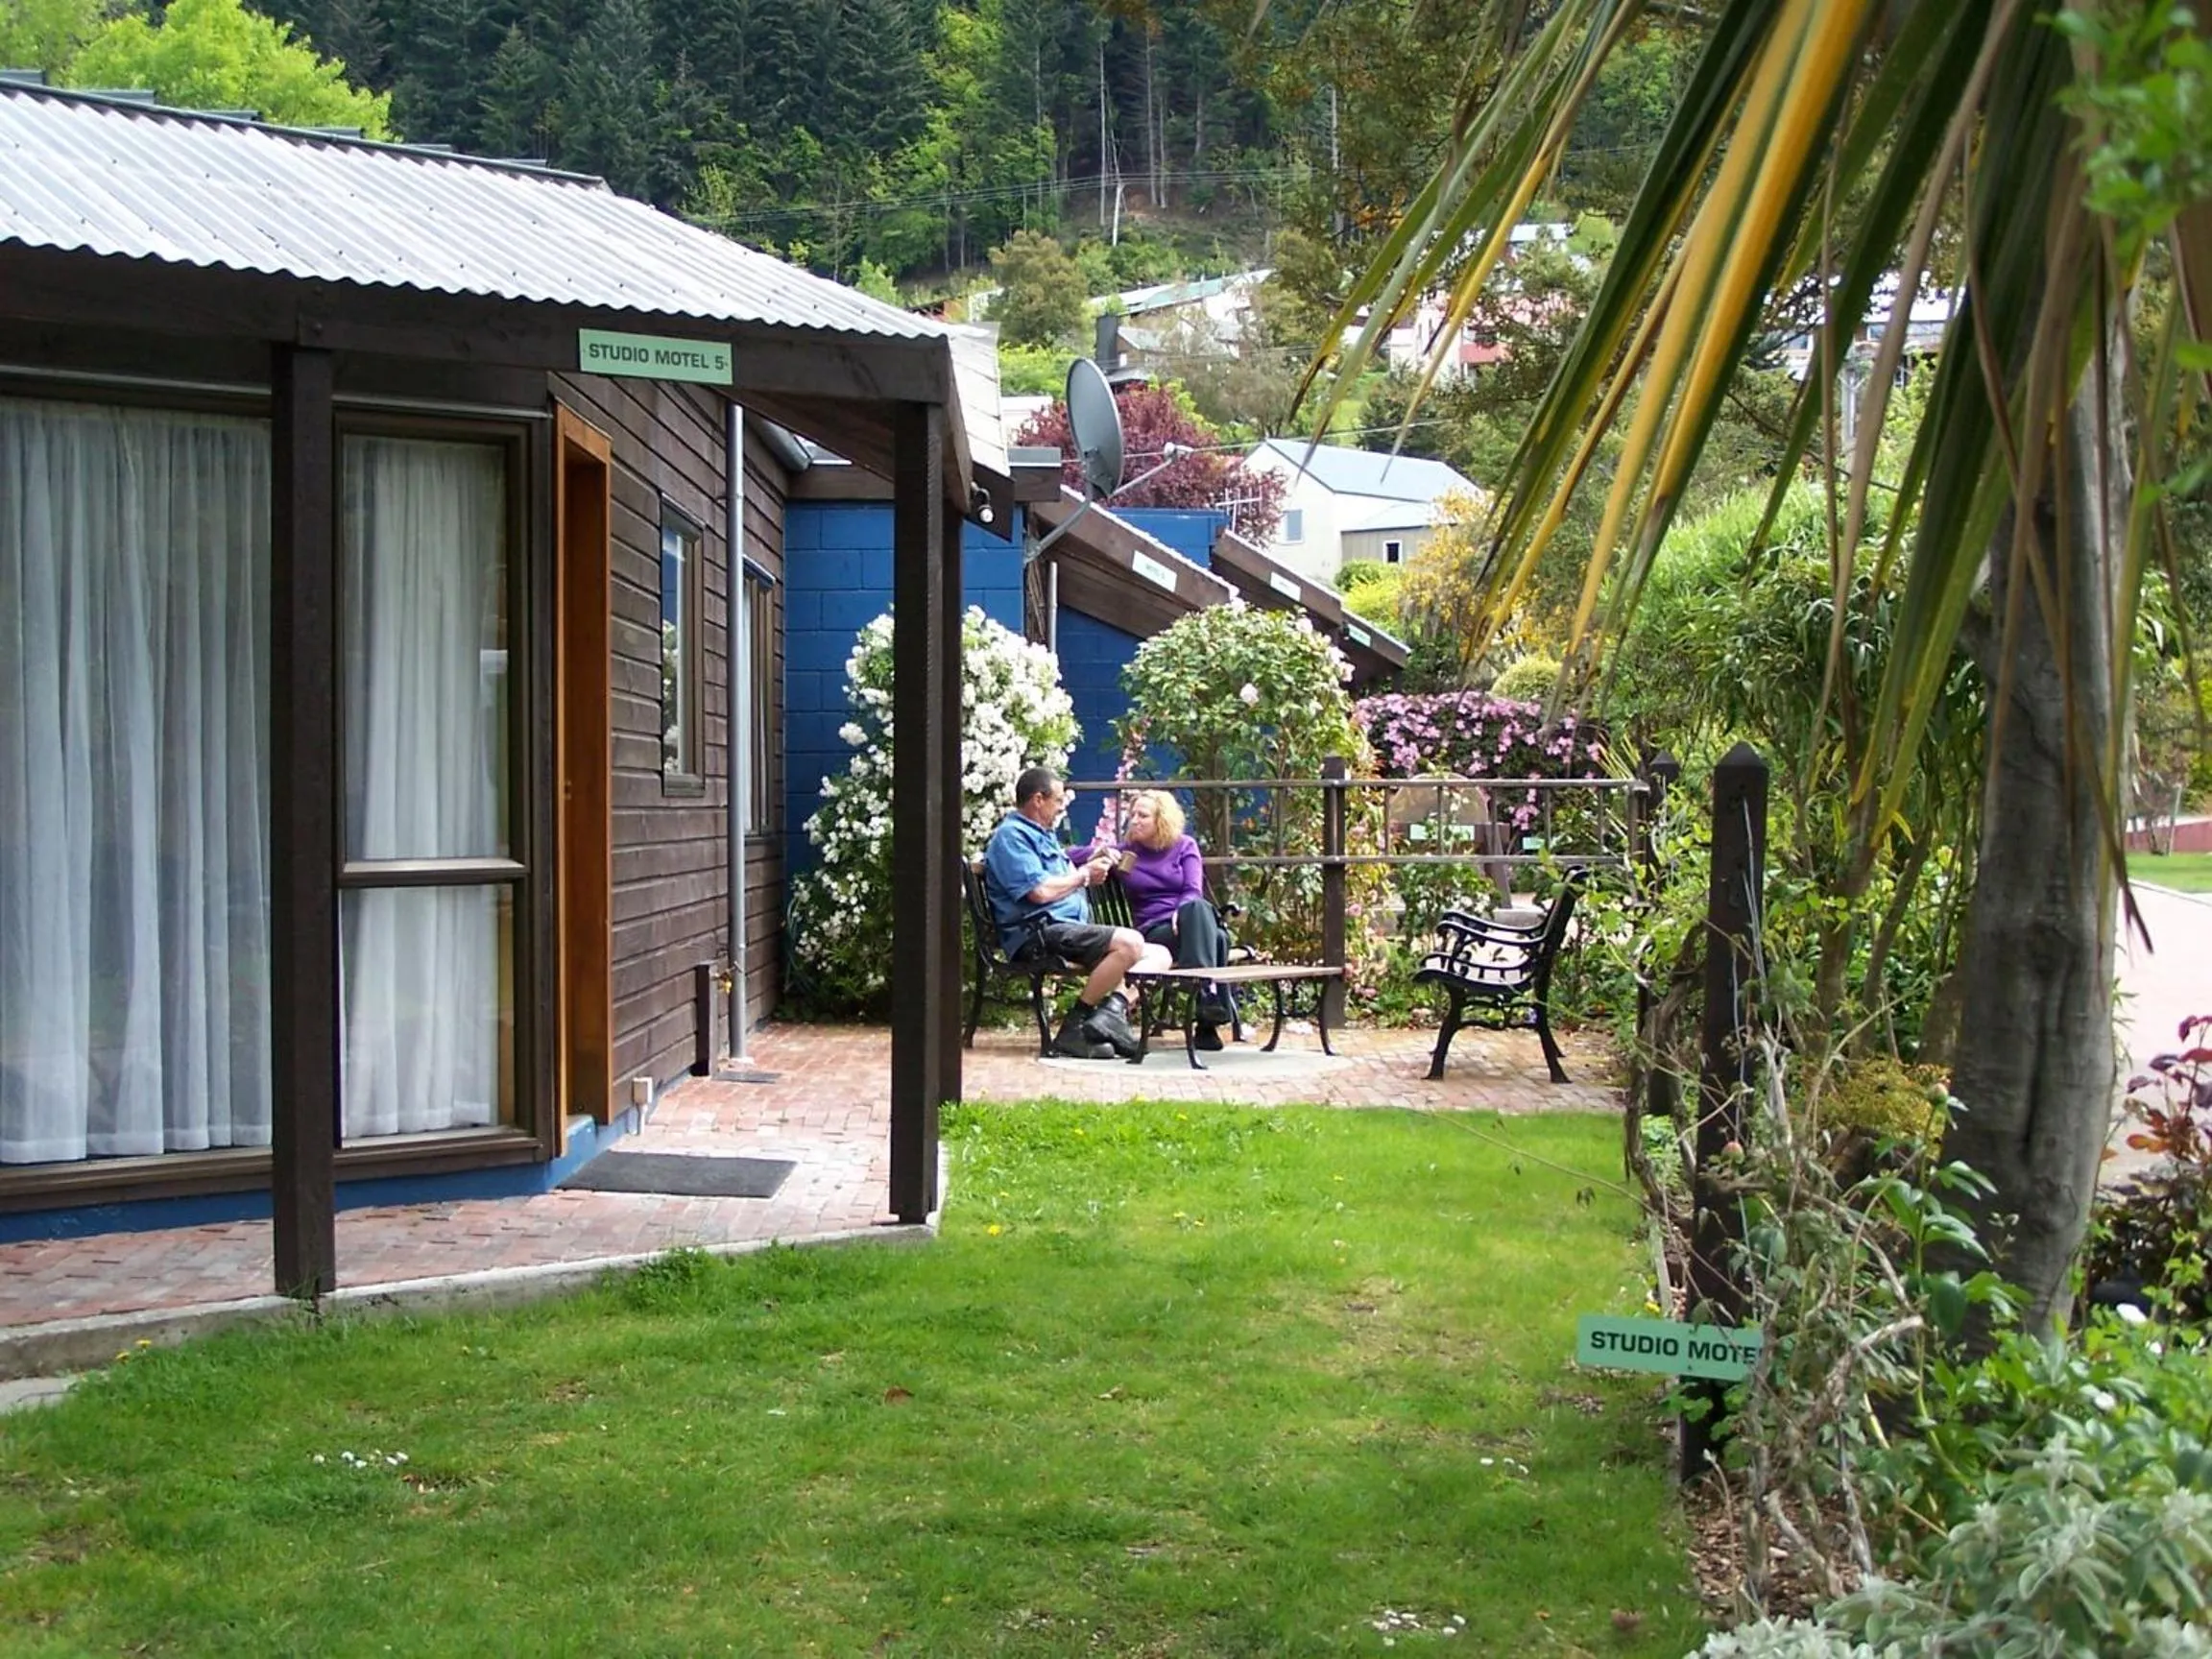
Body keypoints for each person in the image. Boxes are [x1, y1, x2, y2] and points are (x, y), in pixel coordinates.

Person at [981, 766, 1146, 1060]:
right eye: (1057, 800)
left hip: (1065, 929)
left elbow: (1062, 871)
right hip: (1038, 932)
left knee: (1158, 954)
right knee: (1131, 943)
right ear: (1037, 800)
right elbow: (1039, 892)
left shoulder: (1043, 835)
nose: (1061, 807)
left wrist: (1093, 860)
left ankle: (1107, 1018)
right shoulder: (1012, 837)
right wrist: (1083, 875)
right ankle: (1075, 1025)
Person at [1116, 789, 1236, 1050]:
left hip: (1187, 923)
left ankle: (1202, 997)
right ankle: (1207, 1005)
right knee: (1217, 937)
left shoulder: (1185, 846)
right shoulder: (1127, 852)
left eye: (1143, 815)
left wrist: (1180, 913)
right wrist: (1100, 855)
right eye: (1132, 815)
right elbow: (1077, 854)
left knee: (1198, 911)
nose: (1134, 820)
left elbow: (1192, 889)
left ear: (1162, 820)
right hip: (1155, 932)